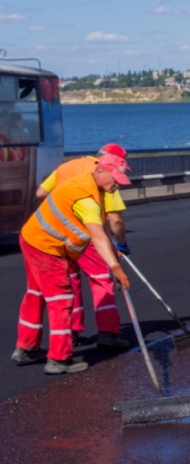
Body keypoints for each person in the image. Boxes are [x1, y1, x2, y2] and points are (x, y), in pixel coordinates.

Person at [12, 154, 132, 374]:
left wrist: (113, 251)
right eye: (115, 179)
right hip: (47, 247)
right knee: (62, 298)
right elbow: (96, 236)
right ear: (101, 171)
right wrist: (115, 267)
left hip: (33, 238)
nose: (117, 185)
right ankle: (58, 359)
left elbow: (103, 222)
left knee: (37, 292)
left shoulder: (87, 177)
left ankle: (26, 347)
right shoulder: (86, 199)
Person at [35, 143, 132, 350]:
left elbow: (41, 193)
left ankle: (71, 331)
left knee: (69, 281)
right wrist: (120, 246)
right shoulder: (106, 175)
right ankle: (108, 333)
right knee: (101, 281)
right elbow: (114, 218)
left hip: (59, 233)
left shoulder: (68, 166)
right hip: (87, 233)